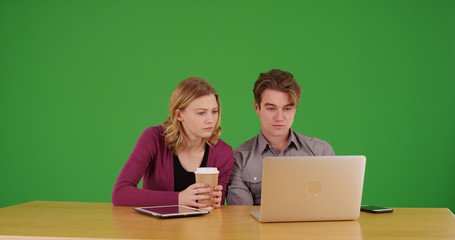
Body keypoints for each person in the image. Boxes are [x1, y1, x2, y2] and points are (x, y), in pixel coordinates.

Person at [112, 77, 233, 208]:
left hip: (201, 228)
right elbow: (120, 193)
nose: (210, 119)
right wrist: (179, 198)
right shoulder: (153, 138)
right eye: (201, 113)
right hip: (155, 227)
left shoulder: (223, 153)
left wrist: (215, 202)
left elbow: (215, 211)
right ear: (179, 115)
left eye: (214, 111)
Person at [226, 69, 335, 205]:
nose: (279, 117)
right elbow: (240, 218)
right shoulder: (240, 158)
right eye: (271, 108)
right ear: (256, 107)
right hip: (258, 227)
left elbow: (331, 206)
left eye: (287, 109)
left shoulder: (321, 152)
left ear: (295, 109)